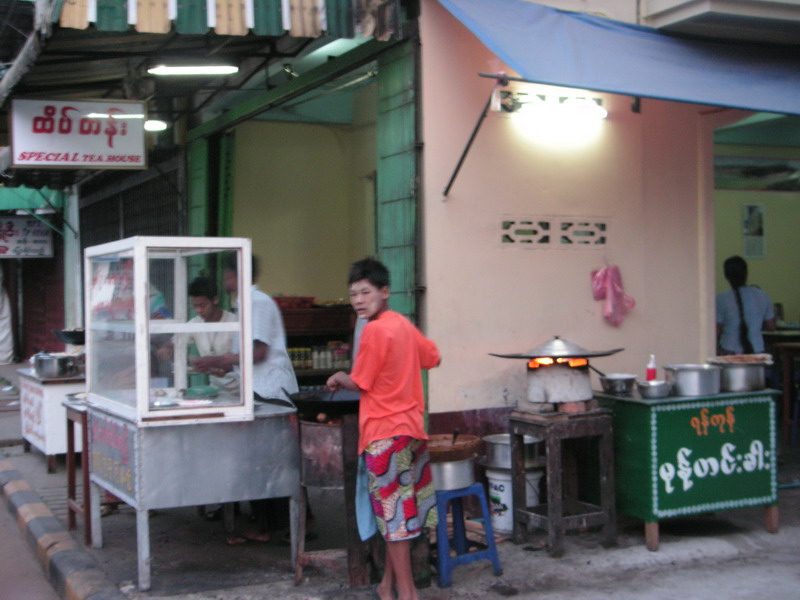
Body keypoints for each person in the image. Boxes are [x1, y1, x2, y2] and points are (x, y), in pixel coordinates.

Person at [326, 258, 440, 600]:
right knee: (403, 517)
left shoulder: (374, 330)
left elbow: (359, 382)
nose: (359, 300)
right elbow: (433, 358)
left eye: (366, 292)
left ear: (384, 292)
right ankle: (386, 586)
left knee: (394, 522)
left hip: (382, 437)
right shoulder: (402, 324)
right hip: (411, 432)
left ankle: (408, 594)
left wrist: (336, 378)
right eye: (353, 294)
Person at [193, 254, 299, 543]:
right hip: (256, 389)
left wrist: (224, 358)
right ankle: (278, 524)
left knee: (272, 461)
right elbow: (245, 355)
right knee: (265, 459)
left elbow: (259, 352)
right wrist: (225, 364)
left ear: (235, 275)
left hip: (271, 391)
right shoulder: (243, 305)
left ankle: (278, 527)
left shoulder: (259, 302)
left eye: (227, 275)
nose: (225, 281)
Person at [156, 276, 239, 394]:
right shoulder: (195, 323)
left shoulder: (234, 322)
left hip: (241, 390)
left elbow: (243, 360)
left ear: (215, 300)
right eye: (195, 306)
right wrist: (166, 348)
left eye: (202, 305)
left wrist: (222, 366)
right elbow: (175, 342)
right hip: (215, 389)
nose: (198, 310)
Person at [716, 255, 776, 355]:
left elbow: (716, 330)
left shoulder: (721, 298)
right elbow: (771, 326)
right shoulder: (763, 296)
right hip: (756, 351)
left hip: (729, 350)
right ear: (747, 273)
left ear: (726, 276)